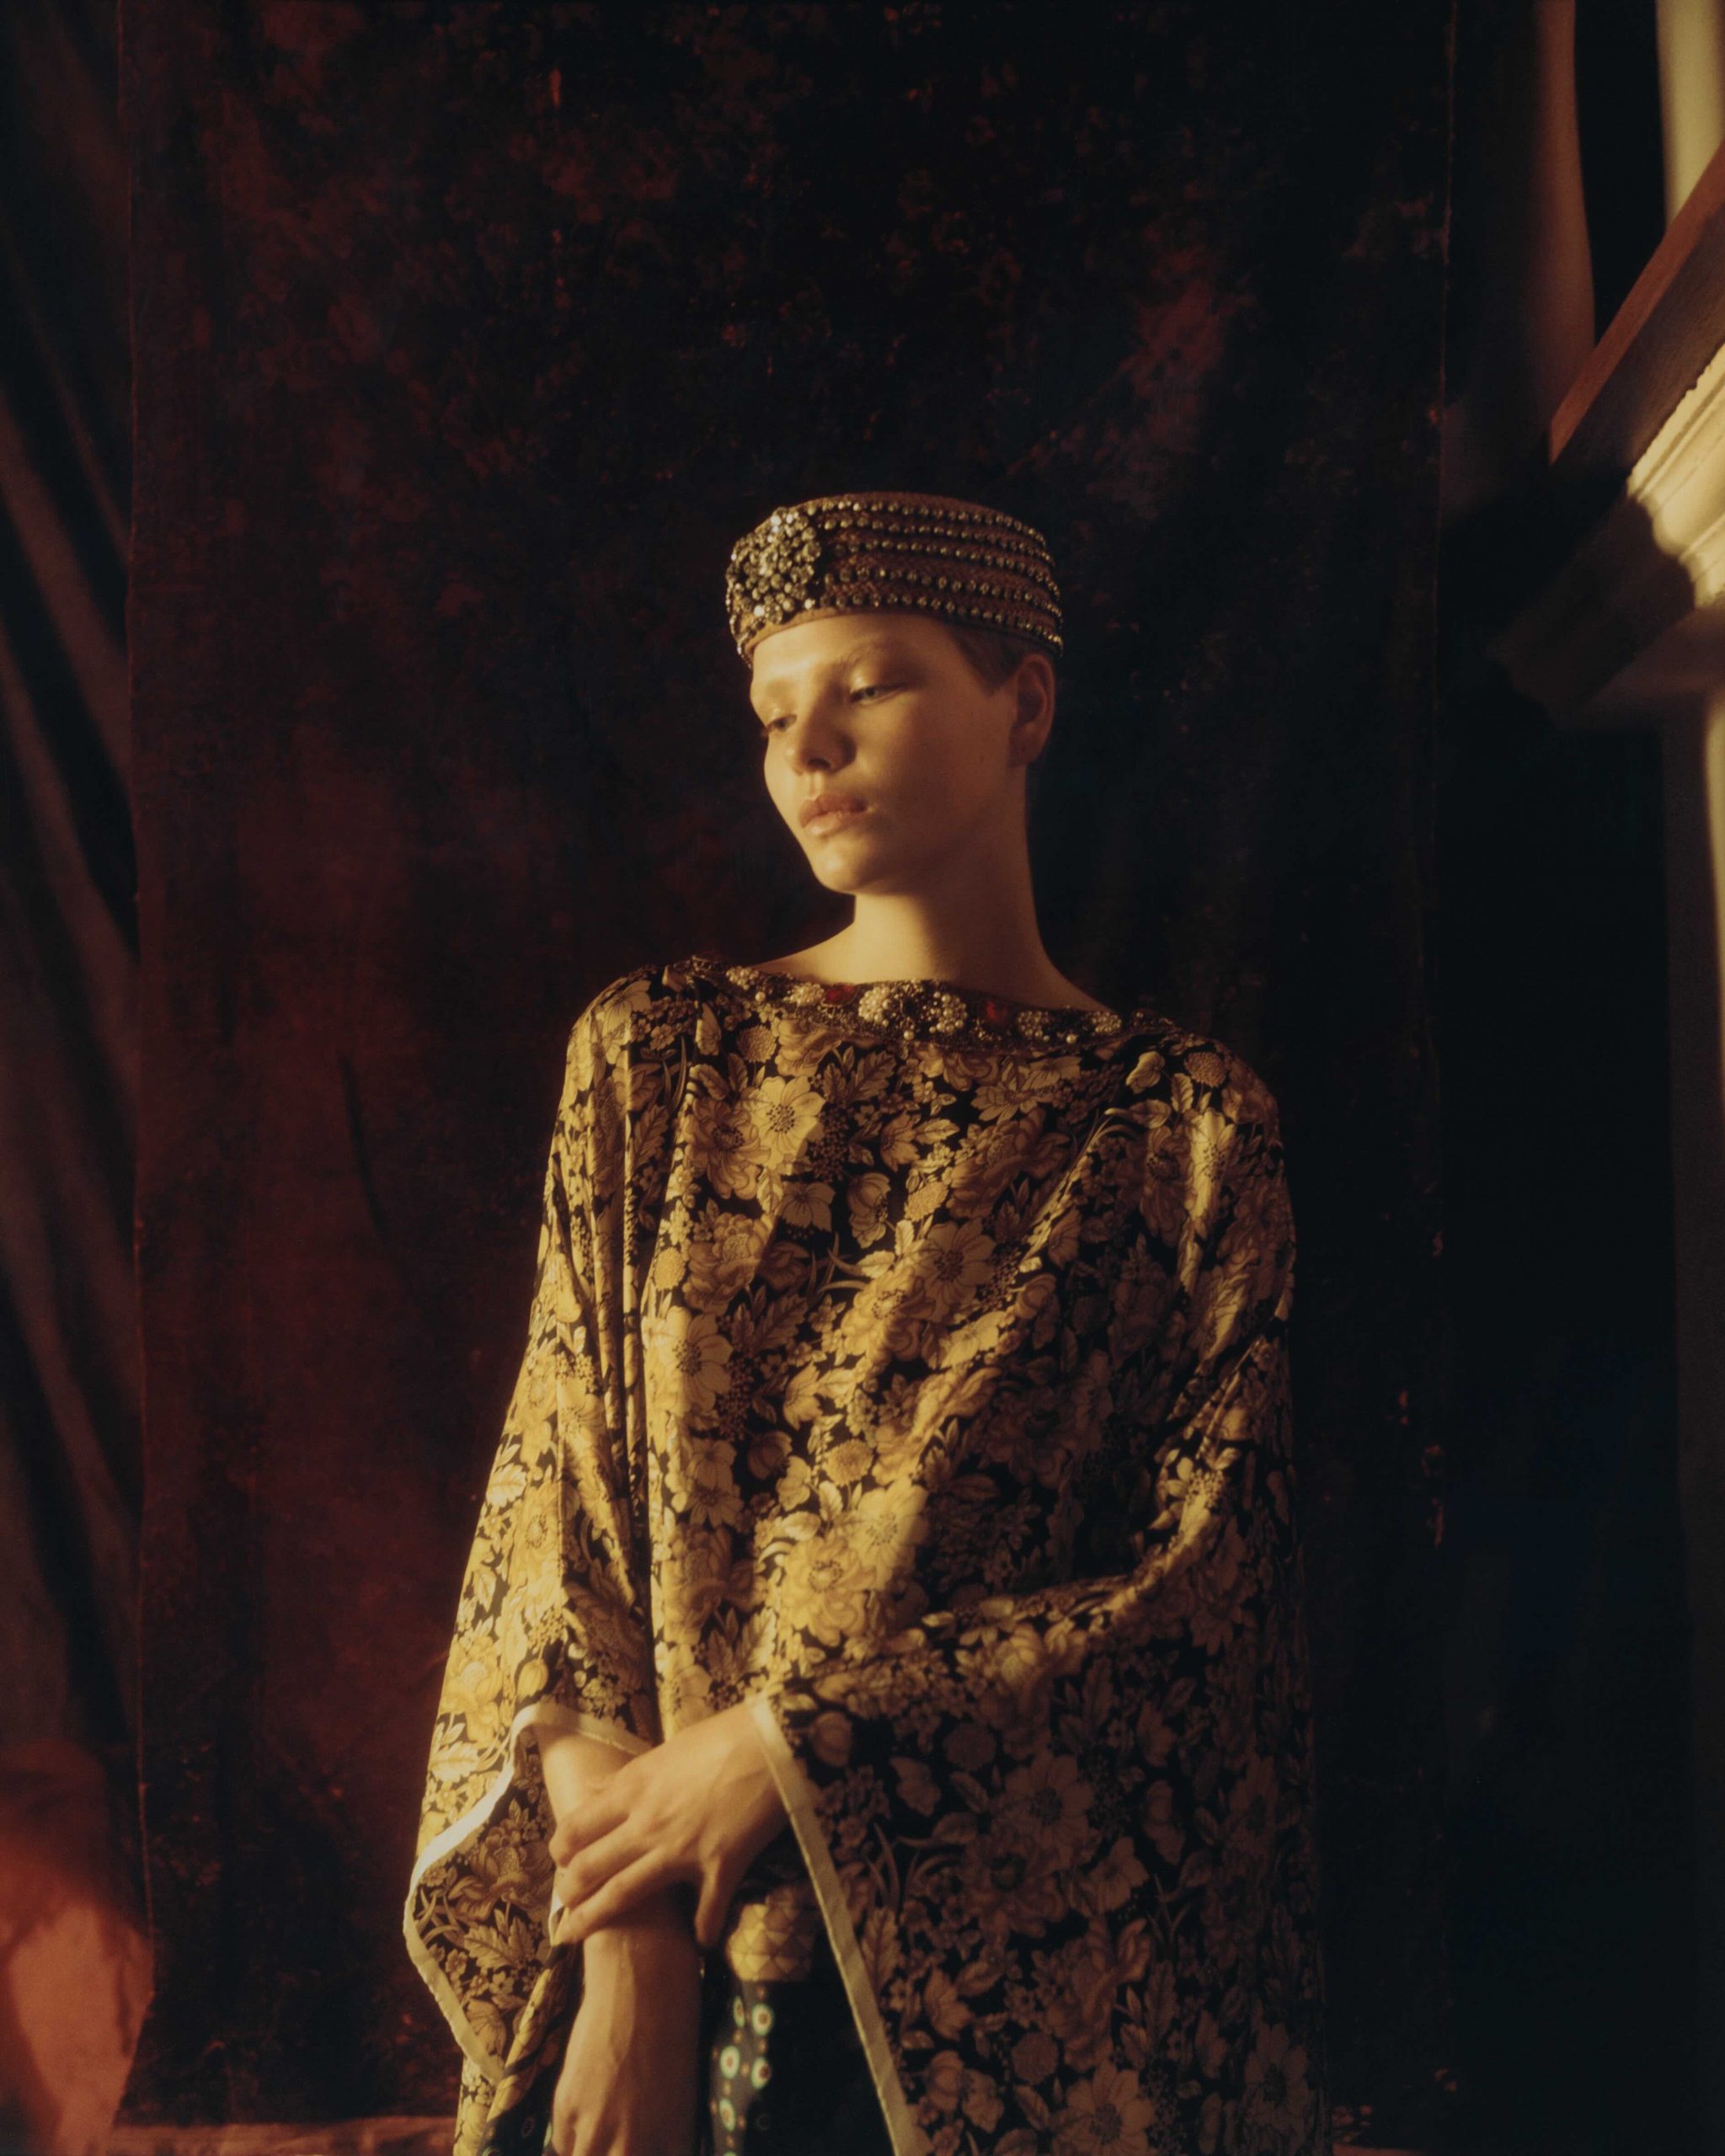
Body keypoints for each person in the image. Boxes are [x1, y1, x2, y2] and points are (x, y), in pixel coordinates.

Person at [404, 492, 1329, 2156]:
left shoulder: (1183, 1126)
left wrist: (787, 1750)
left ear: (1024, 703)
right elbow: (560, 1530)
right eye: (773, 713)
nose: (806, 749)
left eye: (870, 684)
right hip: (662, 1976)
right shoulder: (659, 1058)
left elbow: (1203, 1609)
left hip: (993, 2018)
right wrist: (630, 1955)